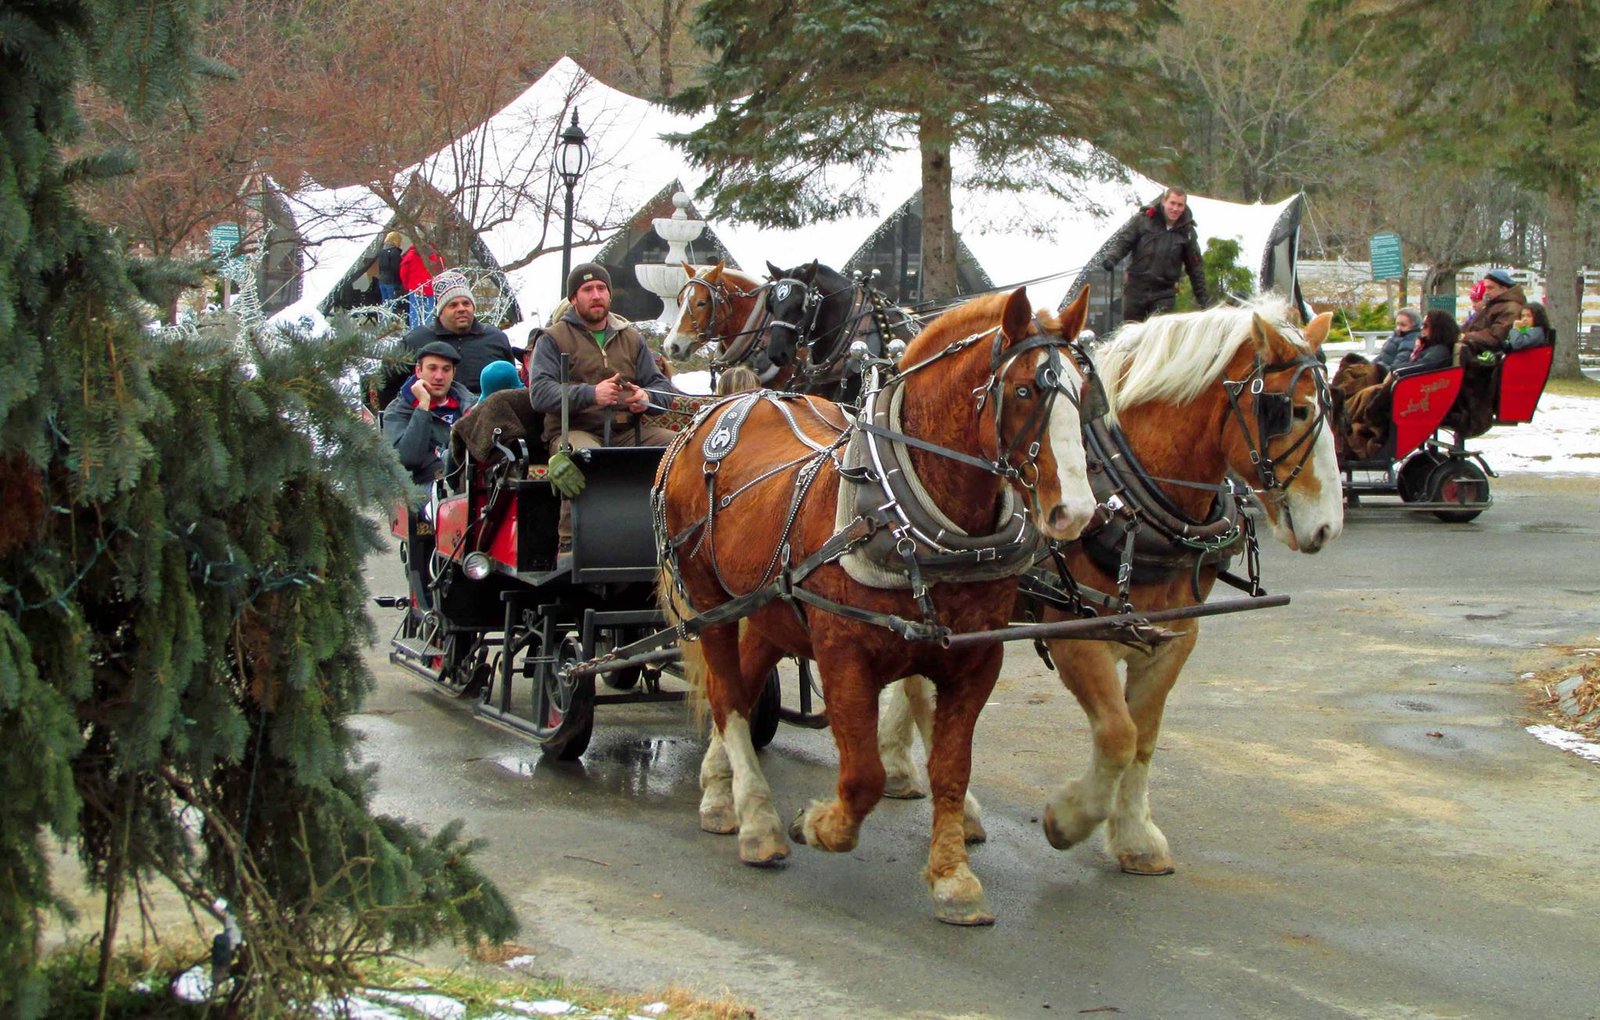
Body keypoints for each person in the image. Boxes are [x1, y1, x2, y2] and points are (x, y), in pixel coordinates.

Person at [527, 263, 683, 552]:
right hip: (574, 430)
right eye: (587, 290)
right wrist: (591, 394)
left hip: (629, 430)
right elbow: (540, 394)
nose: (596, 295)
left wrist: (645, 398)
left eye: (601, 288)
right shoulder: (551, 338)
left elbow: (663, 390)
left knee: (680, 448)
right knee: (591, 458)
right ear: (573, 299)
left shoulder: (631, 337)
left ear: (610, 296)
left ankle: (672, 538)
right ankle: (571, 545)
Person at [379, 269, 516, 407]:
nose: (461, 309)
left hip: (487, 418)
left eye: (466, 303)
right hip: (432, 420)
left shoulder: (496, 338)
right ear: (441, 311)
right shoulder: (416, 340)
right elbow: (386, 384)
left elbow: (512, 384)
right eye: (453, 305)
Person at [1098, 186, 1210, 323]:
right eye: (1172, 203)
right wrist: (1111, 258)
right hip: (1135, 290)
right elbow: (1124, 241)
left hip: (1164, 294)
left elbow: (1195, 268)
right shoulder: (1143, 220)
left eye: (1180, 205)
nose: (1175, 209)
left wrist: (1203, 300)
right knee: (1131, 334)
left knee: (1158, 337)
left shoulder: (1188, 233)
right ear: (1164, 202)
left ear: (1184, 206)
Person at [382, 341, 476, 486]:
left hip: (470, 482)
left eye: (446, 369)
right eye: (432, 368)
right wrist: (423, 406)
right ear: (418, 371)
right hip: (425, 487)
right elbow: (408, 458)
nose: (439, 376)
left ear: (453, 373)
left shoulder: (471, 404)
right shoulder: (397, 411)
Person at [1459, 268, 1527, 358]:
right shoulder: (1494, 304)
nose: (1486, 292)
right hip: (1473, 349)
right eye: (1486, 288)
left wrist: (1466, 337)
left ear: (1503, 288)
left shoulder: (1512, 308)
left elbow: (1496, 337)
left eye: (1490, 288)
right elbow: (1470, 326)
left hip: (1487, 358)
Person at [1391, 309, 1459, 378]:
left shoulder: (1440, 351)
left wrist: (1394, 368)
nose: (1422, 329)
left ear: (1437, 329)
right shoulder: (1429, 346)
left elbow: (1420, 366)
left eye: (1425, 326)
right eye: (1422, 325)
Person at [398, 240, 444, 329]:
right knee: (428, 313)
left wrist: (407, 285)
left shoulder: (410, 256)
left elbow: (403, 273)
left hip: (415, 288)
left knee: (414, 312)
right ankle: (428, 332)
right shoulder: (433, 256)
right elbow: (440, 270)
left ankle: (415, 332)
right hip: (430, 288)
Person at [1373, 306, 1421, 374]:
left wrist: (1379, 367)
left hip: (1385, 375)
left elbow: (1397, 367)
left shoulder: (1411, 341)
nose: (1398, 328)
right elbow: (1382, 356)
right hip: (1379, 370)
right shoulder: (1396, 336)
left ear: (1414, 326)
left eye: (1403, 325)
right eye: (1397, 324)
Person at [376, 231, 405, 311]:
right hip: (392, 281)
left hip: (382, 280)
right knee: (393, 305)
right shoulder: (395, 252)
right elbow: (396, 268)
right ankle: (393, 322)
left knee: (386, 305)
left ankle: (387, 321)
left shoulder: (382, 251)